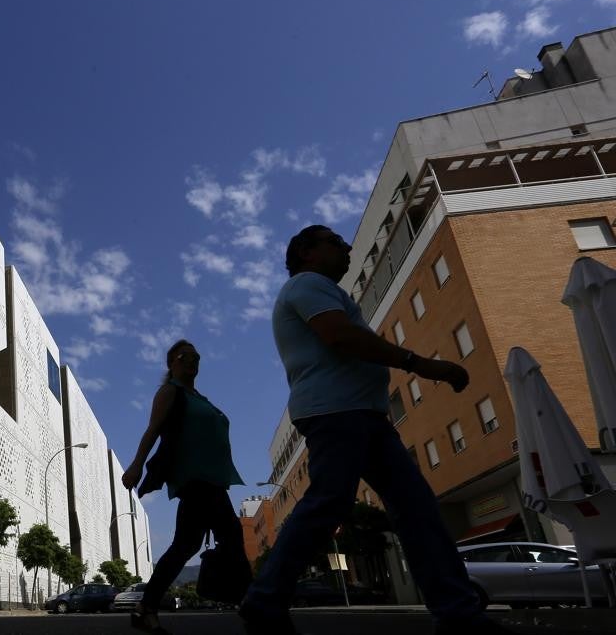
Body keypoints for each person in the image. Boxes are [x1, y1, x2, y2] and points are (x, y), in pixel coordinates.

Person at [239, 226, 513, 635]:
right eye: (334, 242)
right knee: (332, 503)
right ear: (307, 252)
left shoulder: (319, 288)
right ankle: (264, 599)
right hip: (338, 412)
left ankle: (457, 613)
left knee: (416, 508)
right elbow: (340, 336)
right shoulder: (307, 284)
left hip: (363, 415)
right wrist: (421, 364)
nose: (347, 247)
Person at [122, 339, 248, 635]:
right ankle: (256, 603)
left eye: (197, 357)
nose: (193, 361)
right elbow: (152, 430)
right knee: (227, 537)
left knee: (189, 544)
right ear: (172, 363)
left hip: (213, 480)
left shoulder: (199, 397)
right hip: (195, 480)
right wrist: (137, 464)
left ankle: (146, 607)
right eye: (186, 356)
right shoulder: (171, 392)